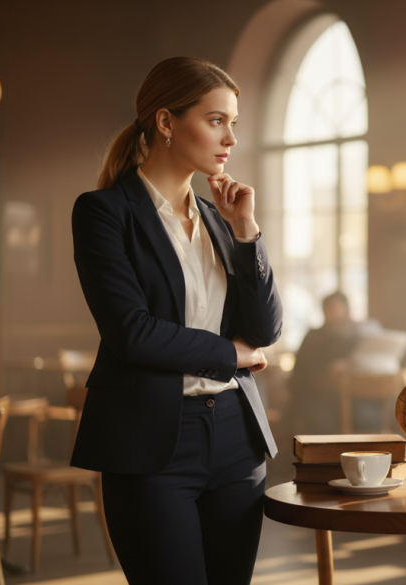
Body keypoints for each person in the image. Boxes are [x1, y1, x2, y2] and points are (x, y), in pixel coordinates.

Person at [70, 56, 282, 585]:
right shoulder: (103, 213)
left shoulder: (220, 218)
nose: (230, 137)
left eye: (235, 122)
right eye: (216, 120)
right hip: (151, 441)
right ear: (166, 122)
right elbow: (132, 333)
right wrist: (231, 355)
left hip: (237, 436)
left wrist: (248, 233)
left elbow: (265, 331)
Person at [287, 291, 361, 434]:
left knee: (368, 418)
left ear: (346, 310)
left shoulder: (356, 337)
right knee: (322, 423)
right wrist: (328, 370)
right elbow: (301, 374)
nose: (334, 313)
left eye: (337, 308)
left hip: (354, 397)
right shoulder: (313, 337)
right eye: (330, 308)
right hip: (317, 397)